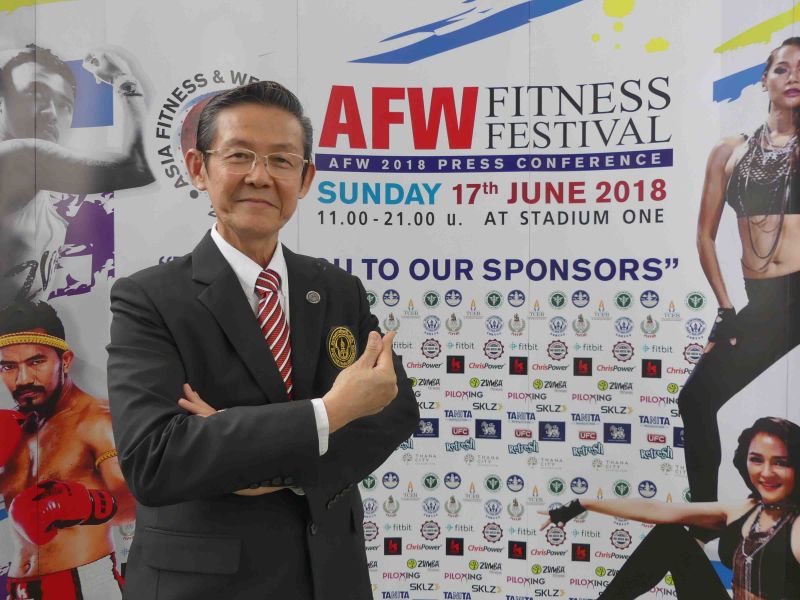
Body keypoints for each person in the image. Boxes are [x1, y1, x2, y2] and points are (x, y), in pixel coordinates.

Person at [106, 80, 419, 600]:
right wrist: (329, 413)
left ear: (305, 178)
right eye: (239, 155)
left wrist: (253, 456)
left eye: (281, 160)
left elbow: (392, 409)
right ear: (198, 168)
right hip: (204, 586)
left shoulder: (337, 289)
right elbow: (155, 460)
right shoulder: (148, 299)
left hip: (330, 577)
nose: (260, 176)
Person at [679, 36, 800, 512]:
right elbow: (704, 236)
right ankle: (705, 518)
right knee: (696, 399)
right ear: (764, 79)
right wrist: (726, 310)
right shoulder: (729, 151)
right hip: (765, 301)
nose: (794, 77)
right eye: (783, 68)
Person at [540, 417, 800, 599]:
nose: (766, 472)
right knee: (670, 535)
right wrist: (581, 503)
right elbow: (658, 510)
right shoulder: (744, 510)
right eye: (756, 460)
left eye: (781, 462)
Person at [0, 301, 135, 600]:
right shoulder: (15, 428)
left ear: (66, 360)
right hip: (17, 590)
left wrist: (84, 505)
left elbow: (132, 502)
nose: (23, 379)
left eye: (36, 362)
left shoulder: (96, 421)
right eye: (9, 366)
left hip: (83, 586)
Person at [0, 44, 153, 305]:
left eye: (65, 104)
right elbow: (137, 167)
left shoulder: (47, 207)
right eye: (35, 93)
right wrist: (122, 79)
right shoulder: (14, 157)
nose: (51, 112)